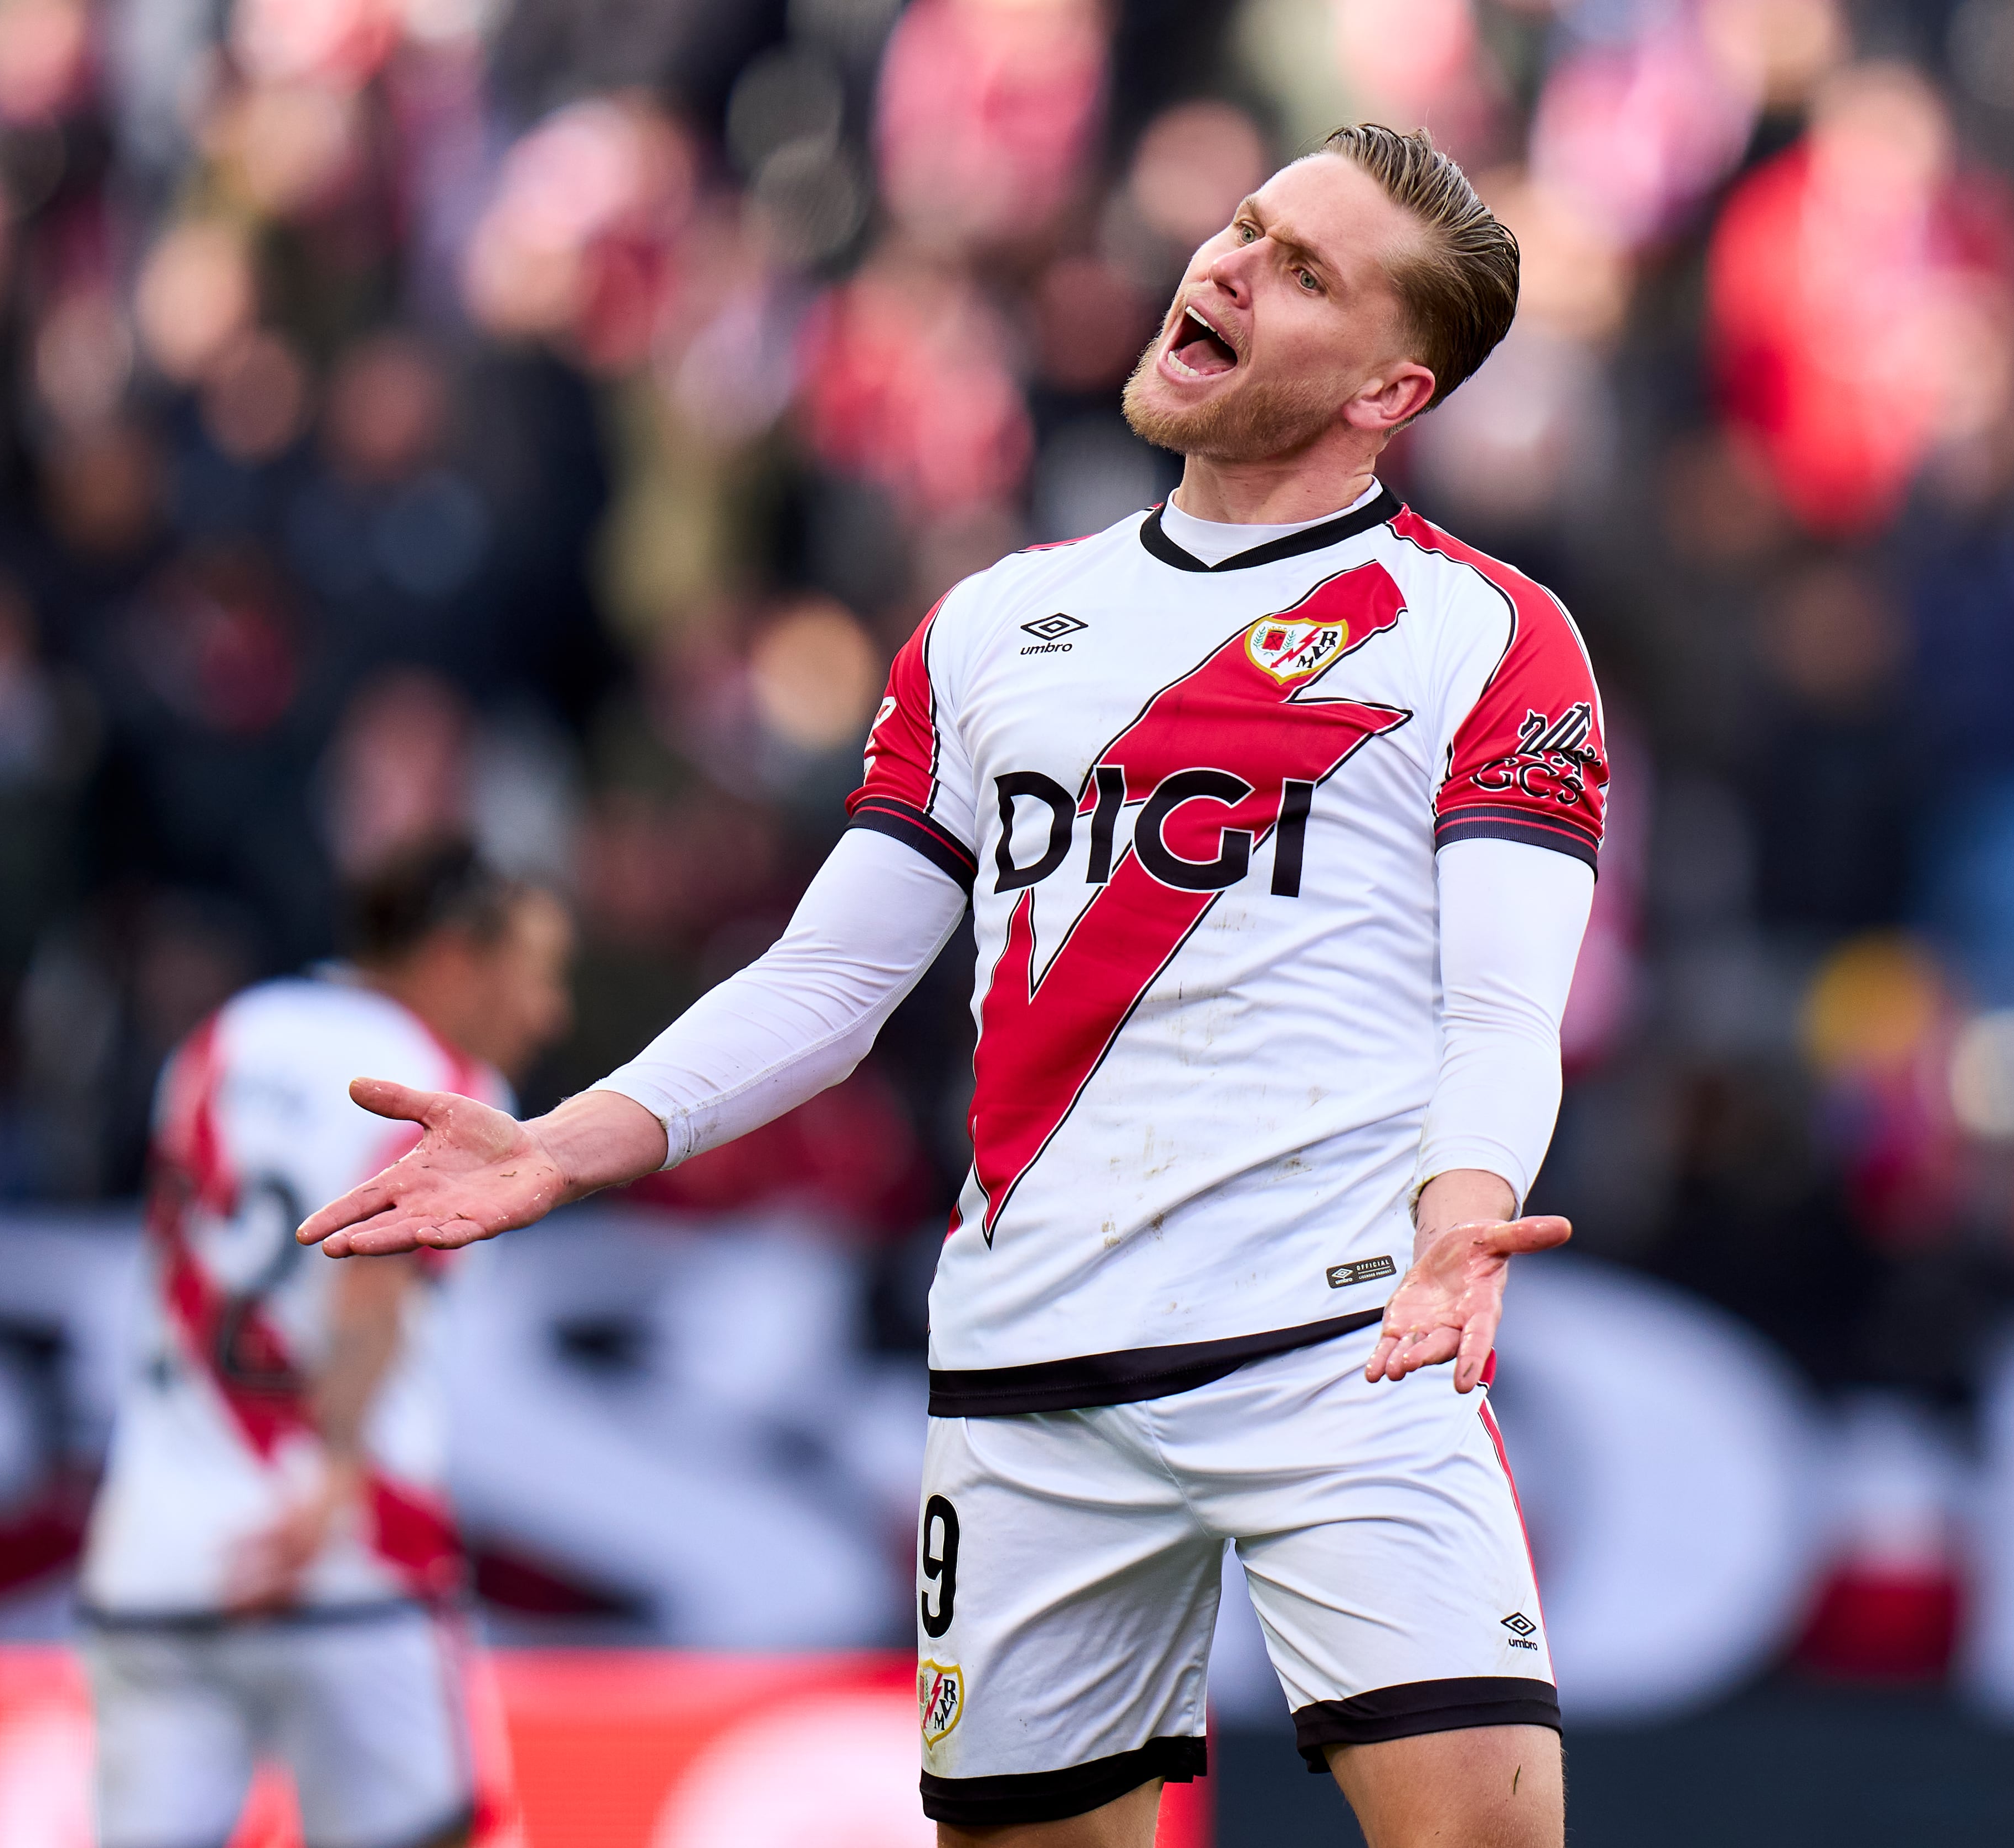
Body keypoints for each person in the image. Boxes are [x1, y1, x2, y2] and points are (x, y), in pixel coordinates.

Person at [301, 124, 1606, 1848]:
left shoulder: (1488, 635)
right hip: (1034, 1367)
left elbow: (1505, 1012)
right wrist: (572, 1141)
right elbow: (835, 977)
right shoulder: (996, 623)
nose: (1224, 265)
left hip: (1340, 1346)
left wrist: (1466, 1210)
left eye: (1302, 270)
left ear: (1390, 385)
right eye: (1241, 226)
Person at [80, 840, 573, 1848]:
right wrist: (337, 1472)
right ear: (452, 958)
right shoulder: (446, 1087)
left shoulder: (224, 1038)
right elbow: (375, 1289)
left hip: (157, 1556)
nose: (547, 1009)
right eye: (532, 970)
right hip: (345, 1558)